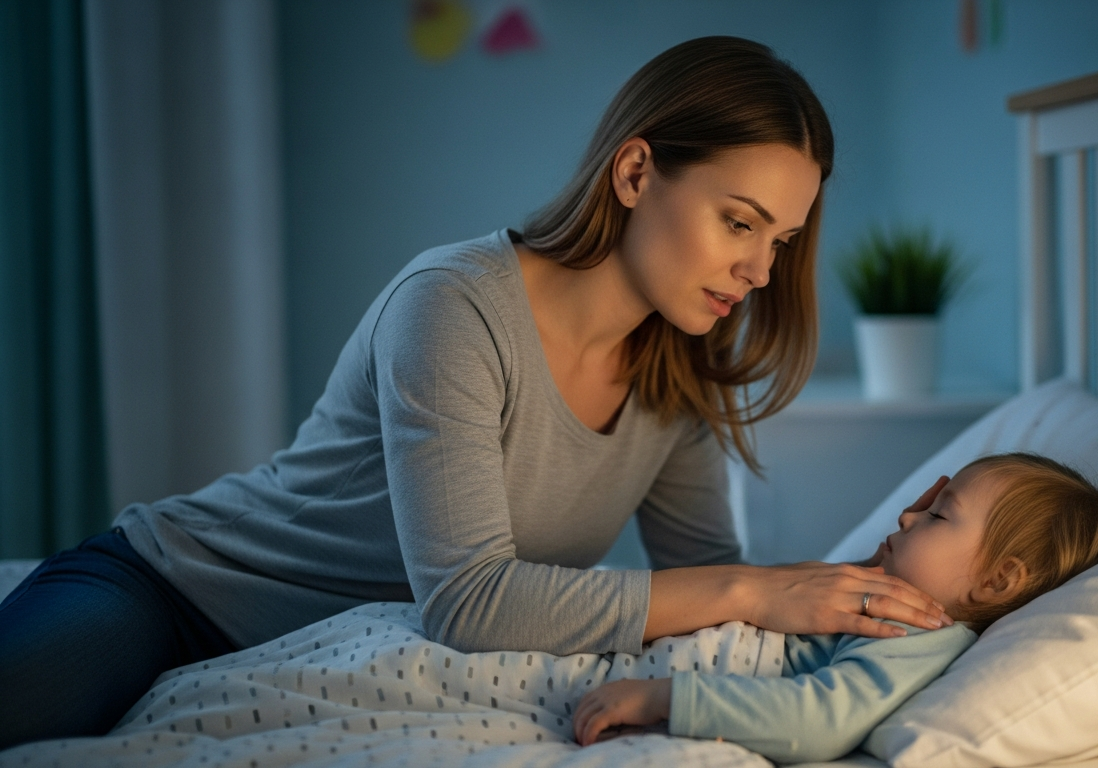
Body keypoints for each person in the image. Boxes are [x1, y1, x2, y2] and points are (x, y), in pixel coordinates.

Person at [0, 36, 952, 751]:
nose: (758, 267)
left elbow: (702, 588)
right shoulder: (451, 305)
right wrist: (756, 586)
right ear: (635, 171)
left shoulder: (680, 377)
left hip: (313, 667)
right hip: (174, 591)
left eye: (780, 239)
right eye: (739, 221)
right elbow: (467, 602)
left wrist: (870, 631)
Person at [570, 452, 1098, 764]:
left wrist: (666, 698)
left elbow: (821, 719)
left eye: (937, 515)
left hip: (640, 682)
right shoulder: (883, 599)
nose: (907, 515)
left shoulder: (919, 633)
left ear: (998, 581)